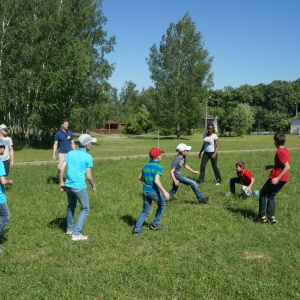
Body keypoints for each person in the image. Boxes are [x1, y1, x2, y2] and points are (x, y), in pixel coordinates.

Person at [59, 134, 97, 241]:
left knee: (71, 206)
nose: (91, 145)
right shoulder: (88, 157)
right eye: (91, 143)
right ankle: (76, 233)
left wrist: (61, 182)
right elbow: (89, 176)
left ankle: (69, 229)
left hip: (68, 186)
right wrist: (93, 185)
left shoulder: (71, 153)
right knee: (85, 208)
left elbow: (61, 169)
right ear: (87, 144)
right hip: (79, 187)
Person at [133, 148, 170, 236]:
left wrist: (148, 181)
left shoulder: (146, 165)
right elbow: (157, 181)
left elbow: (140, 177)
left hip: (145, 191)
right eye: (160, 155)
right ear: (158, 157)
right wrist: (165, 192)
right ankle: (155, 224)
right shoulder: (158, 167)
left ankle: (137, 229)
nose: (161, 156)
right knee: (162, 204)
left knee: (145, 211)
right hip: (153, 191)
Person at [258, 133, 290, 224]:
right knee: (271, 196)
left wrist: (277, 178)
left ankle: (262, 216)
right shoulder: (286, 150)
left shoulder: (279, 152)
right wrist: (271, 166)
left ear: (274, 143)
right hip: (284, 178)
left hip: (277, 177)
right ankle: (271, 217)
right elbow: (281, 164)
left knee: (263, 194)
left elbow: (287, 166)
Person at [0, 139, 14, 252]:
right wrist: (10, 181)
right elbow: (3, 182)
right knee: (6, 216)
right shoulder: (0, 163)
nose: (4, 149)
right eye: (2, 147)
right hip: (0, 197)